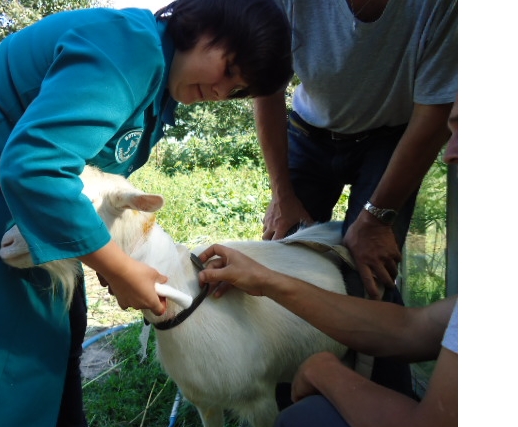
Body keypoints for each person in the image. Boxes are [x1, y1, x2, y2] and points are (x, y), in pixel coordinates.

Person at [0, 1, 293, 426]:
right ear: (202, 25)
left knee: (63, 320)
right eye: (228, 69)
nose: (220, 92)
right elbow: (36, 167)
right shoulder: (131, 51)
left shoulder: (160, 90)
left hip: (23, 189)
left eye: (236, 91)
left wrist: (110, 261)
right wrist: (119, 269)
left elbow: (88, 182)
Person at [196, 97, 458, 427]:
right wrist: (266, 278)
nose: (449, 153)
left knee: (301, 418)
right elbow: (412, 329)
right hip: (309, 131)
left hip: (390, 130)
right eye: (453, 128)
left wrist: (325, 372)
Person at [253, 0, 457, 396]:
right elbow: (266, 87)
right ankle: (286, 397)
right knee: (285, 254)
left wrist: (376, 220)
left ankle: (393, 400)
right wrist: (283, 194)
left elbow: (434, 115)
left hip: (391, 140)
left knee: (371, 272)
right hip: (307, 133)